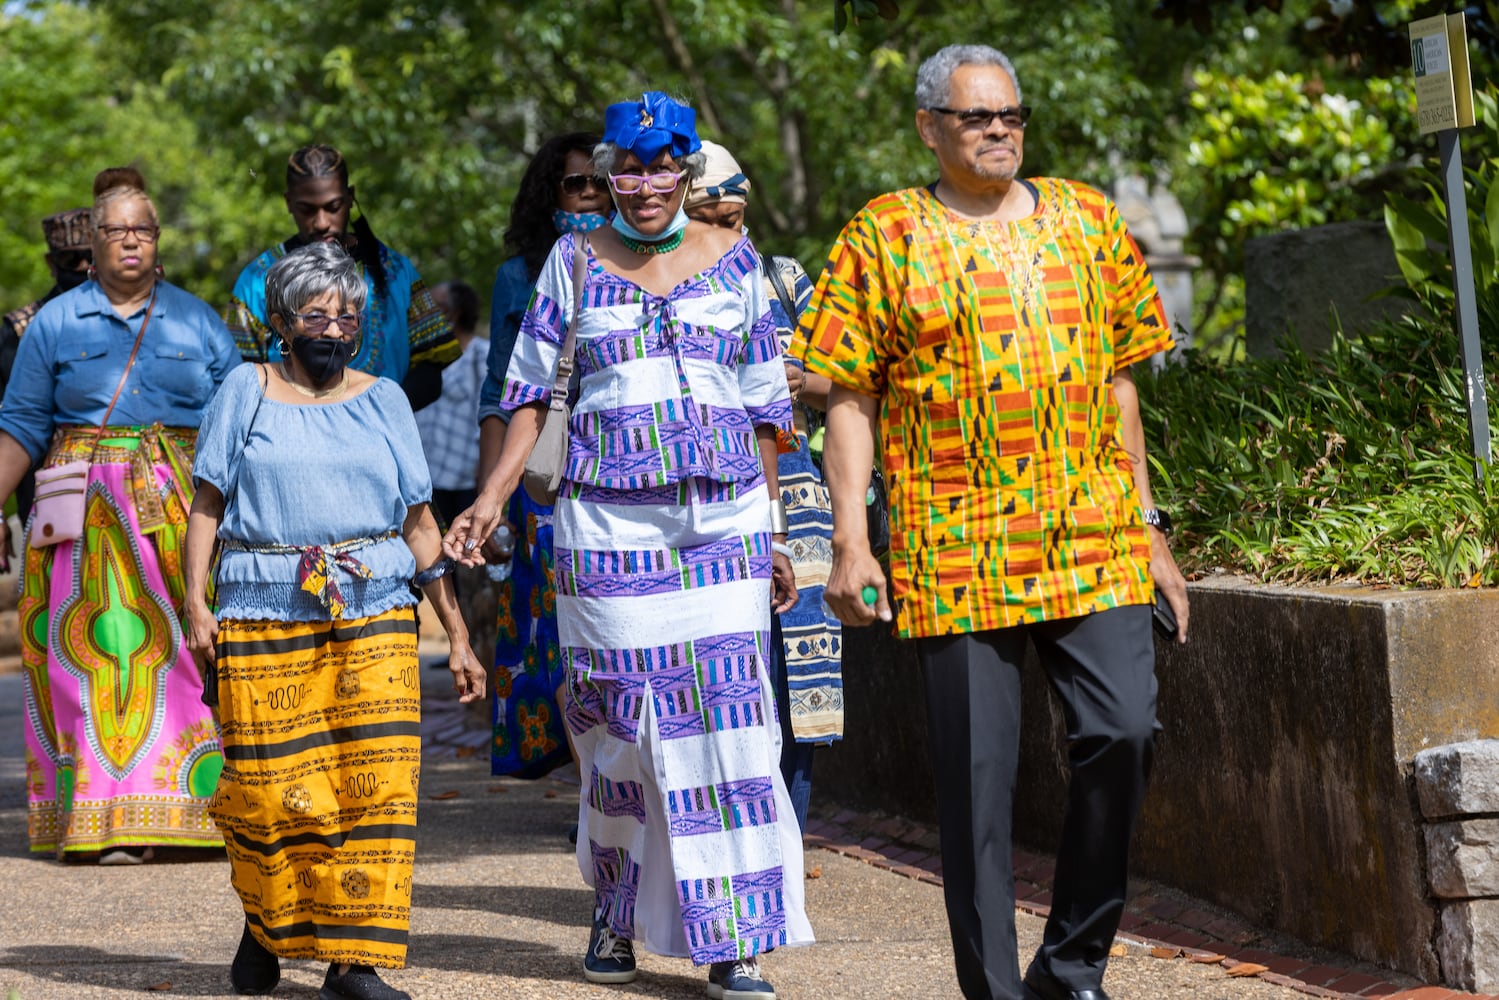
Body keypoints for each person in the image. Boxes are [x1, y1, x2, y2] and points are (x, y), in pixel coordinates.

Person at [794, 45, 1191, 1000]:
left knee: (1124, 732)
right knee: (976, 783)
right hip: (951, 540)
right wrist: (850, 541)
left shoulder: (1089, 218)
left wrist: (1147, 527)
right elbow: (847, 393)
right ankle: (996, 992)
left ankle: (1071, 963)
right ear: (930, 127)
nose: (1000, 129)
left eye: (1010, 113)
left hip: (1090, 531)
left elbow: (1119, 383)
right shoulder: (882, 234)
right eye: (977, 117)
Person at [446, 93, 813, 998]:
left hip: (722, 521)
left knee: (731, 727)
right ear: (607, 171)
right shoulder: (572, 261)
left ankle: (736, 939)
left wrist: (768, 533)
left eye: (661, 165)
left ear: (686, 169)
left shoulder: (737, 263)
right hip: (605, 524)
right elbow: (527, 389)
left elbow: (768, 405)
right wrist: (490, 499)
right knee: (619, 728)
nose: (643, 184)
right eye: (628, 166)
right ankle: (615, 904)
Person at [183, 241, 486, 1000]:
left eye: (346, 315)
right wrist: (195, 603)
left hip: (374, 607)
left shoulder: (384, 397)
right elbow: (207, 505)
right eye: (315, 314)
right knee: (270, 791)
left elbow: (419, 523)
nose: (332, 327)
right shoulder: (244, 390)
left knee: (375, 785)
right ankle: (264, 923)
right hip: (262, 607)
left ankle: (354, 962)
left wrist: (456, 633)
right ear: (283, 321)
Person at [0, 167, 236, 863]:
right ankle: (103, 821)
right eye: (116, 229)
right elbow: (19, 422)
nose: (130, 241)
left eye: (143, 228)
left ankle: (190, 813)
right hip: (79, 514)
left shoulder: (198, 319)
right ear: (94, 242)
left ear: (157, 241)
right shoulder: (54, 322)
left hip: (177, 509)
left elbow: (236, 421)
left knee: (185, 654)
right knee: (90, 659)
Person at [684, 141, 843, 832]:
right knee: (716, 678)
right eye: (712, 217)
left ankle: (787, 843)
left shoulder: (783, 279)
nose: (729, 231)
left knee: (795, 679)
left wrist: (800, 380)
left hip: (797, 500)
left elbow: (848, 377)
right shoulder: (659, 286)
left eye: (737, 215)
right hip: (704, 498)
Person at [480, 130, 605, 783]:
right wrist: (491, 502)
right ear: (549, 194)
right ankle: (594, 792)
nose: (589, 193)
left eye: (598, 181)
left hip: (623, 470)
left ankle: (613, 786)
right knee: (557, 640)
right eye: (574, 183)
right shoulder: (518, 276)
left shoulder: (643, 261)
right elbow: (500, 391)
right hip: (547, 476)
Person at [224, 144, 459, 411]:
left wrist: (378, 415)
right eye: (307, 209)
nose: (321, 222)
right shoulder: (258, 280)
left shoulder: (397, 272)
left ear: (350, 198)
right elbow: (239, 377)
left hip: (379, 438)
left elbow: (430, 373)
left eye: (332, 206)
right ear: (288, 202)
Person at [0, 208, 93, 522]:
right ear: (51, 264)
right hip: (43, 482)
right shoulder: (20, 329)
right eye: (71, 259)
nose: (82, 266)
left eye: (89, 256)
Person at [414, 279, 488, 525]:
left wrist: (485, 471)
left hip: (464, 475)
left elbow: (488, 413)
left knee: (462, 551)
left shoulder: (481, 355)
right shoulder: (425, 354)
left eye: (433, 306)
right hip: (425, 474)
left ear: (453, 313)